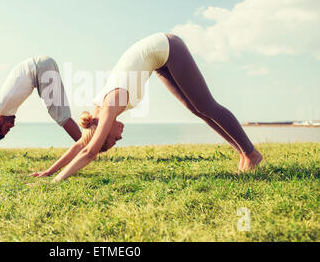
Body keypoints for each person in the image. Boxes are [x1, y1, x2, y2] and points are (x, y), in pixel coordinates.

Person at [30, 33, 263, 181]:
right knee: (197, 109)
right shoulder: (96, 114)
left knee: (206, 104)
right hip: (159, 60)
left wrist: (56, 181)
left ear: (104, 130)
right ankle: (243, 152)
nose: (118, 140)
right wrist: (49, 170)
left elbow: (89, 151)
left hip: (167, 46)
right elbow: (82, 144)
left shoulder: (110, 106)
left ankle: (250, 153)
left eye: (111, 141)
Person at [0, 56, 81, 160]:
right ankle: (90, 145)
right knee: (61, 113)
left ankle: (88, 148)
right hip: (42, 64)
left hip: (38, 68)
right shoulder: (3, 114)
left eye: (7, 128)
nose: (12, 126)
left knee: (60, 115)